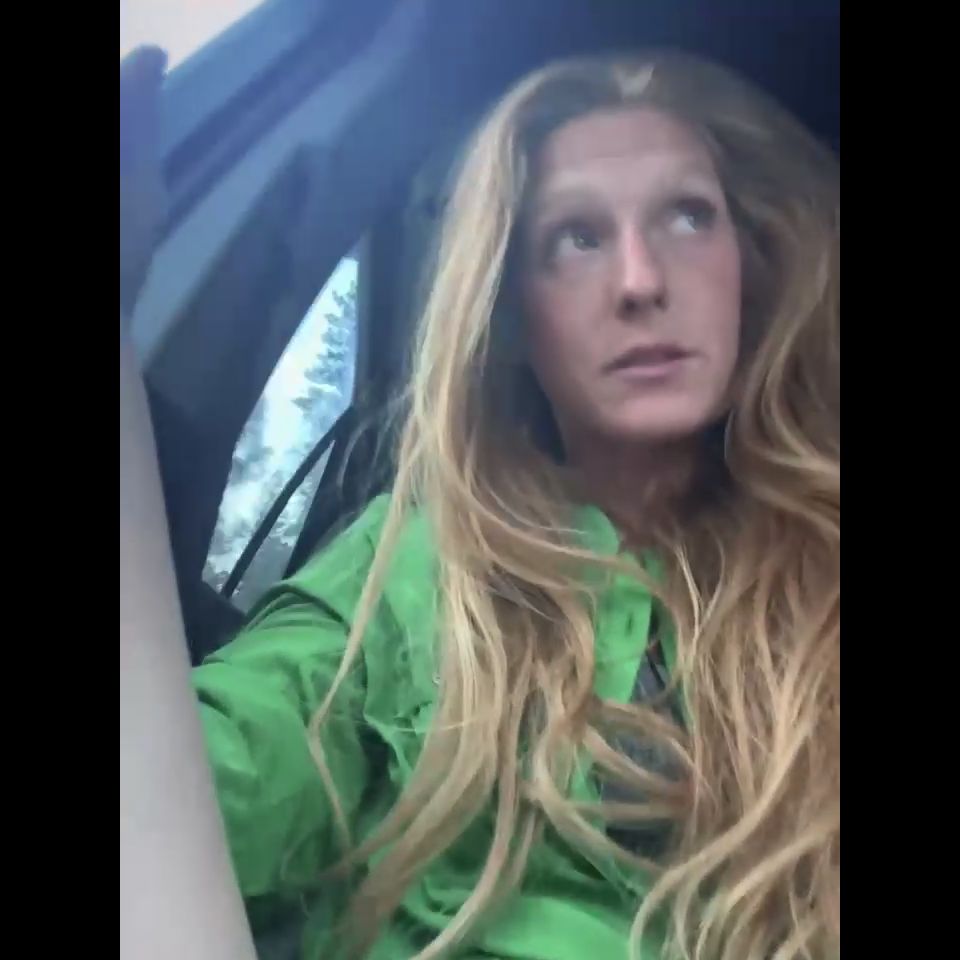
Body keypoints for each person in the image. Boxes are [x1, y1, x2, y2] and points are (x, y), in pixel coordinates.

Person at [120, 51, 839, 960]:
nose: (640, 280)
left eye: (689, 217)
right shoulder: (415, 570)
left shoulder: (823, 569)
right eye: (575, 238)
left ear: (749, 268)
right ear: (513, 318)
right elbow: (206, 780)